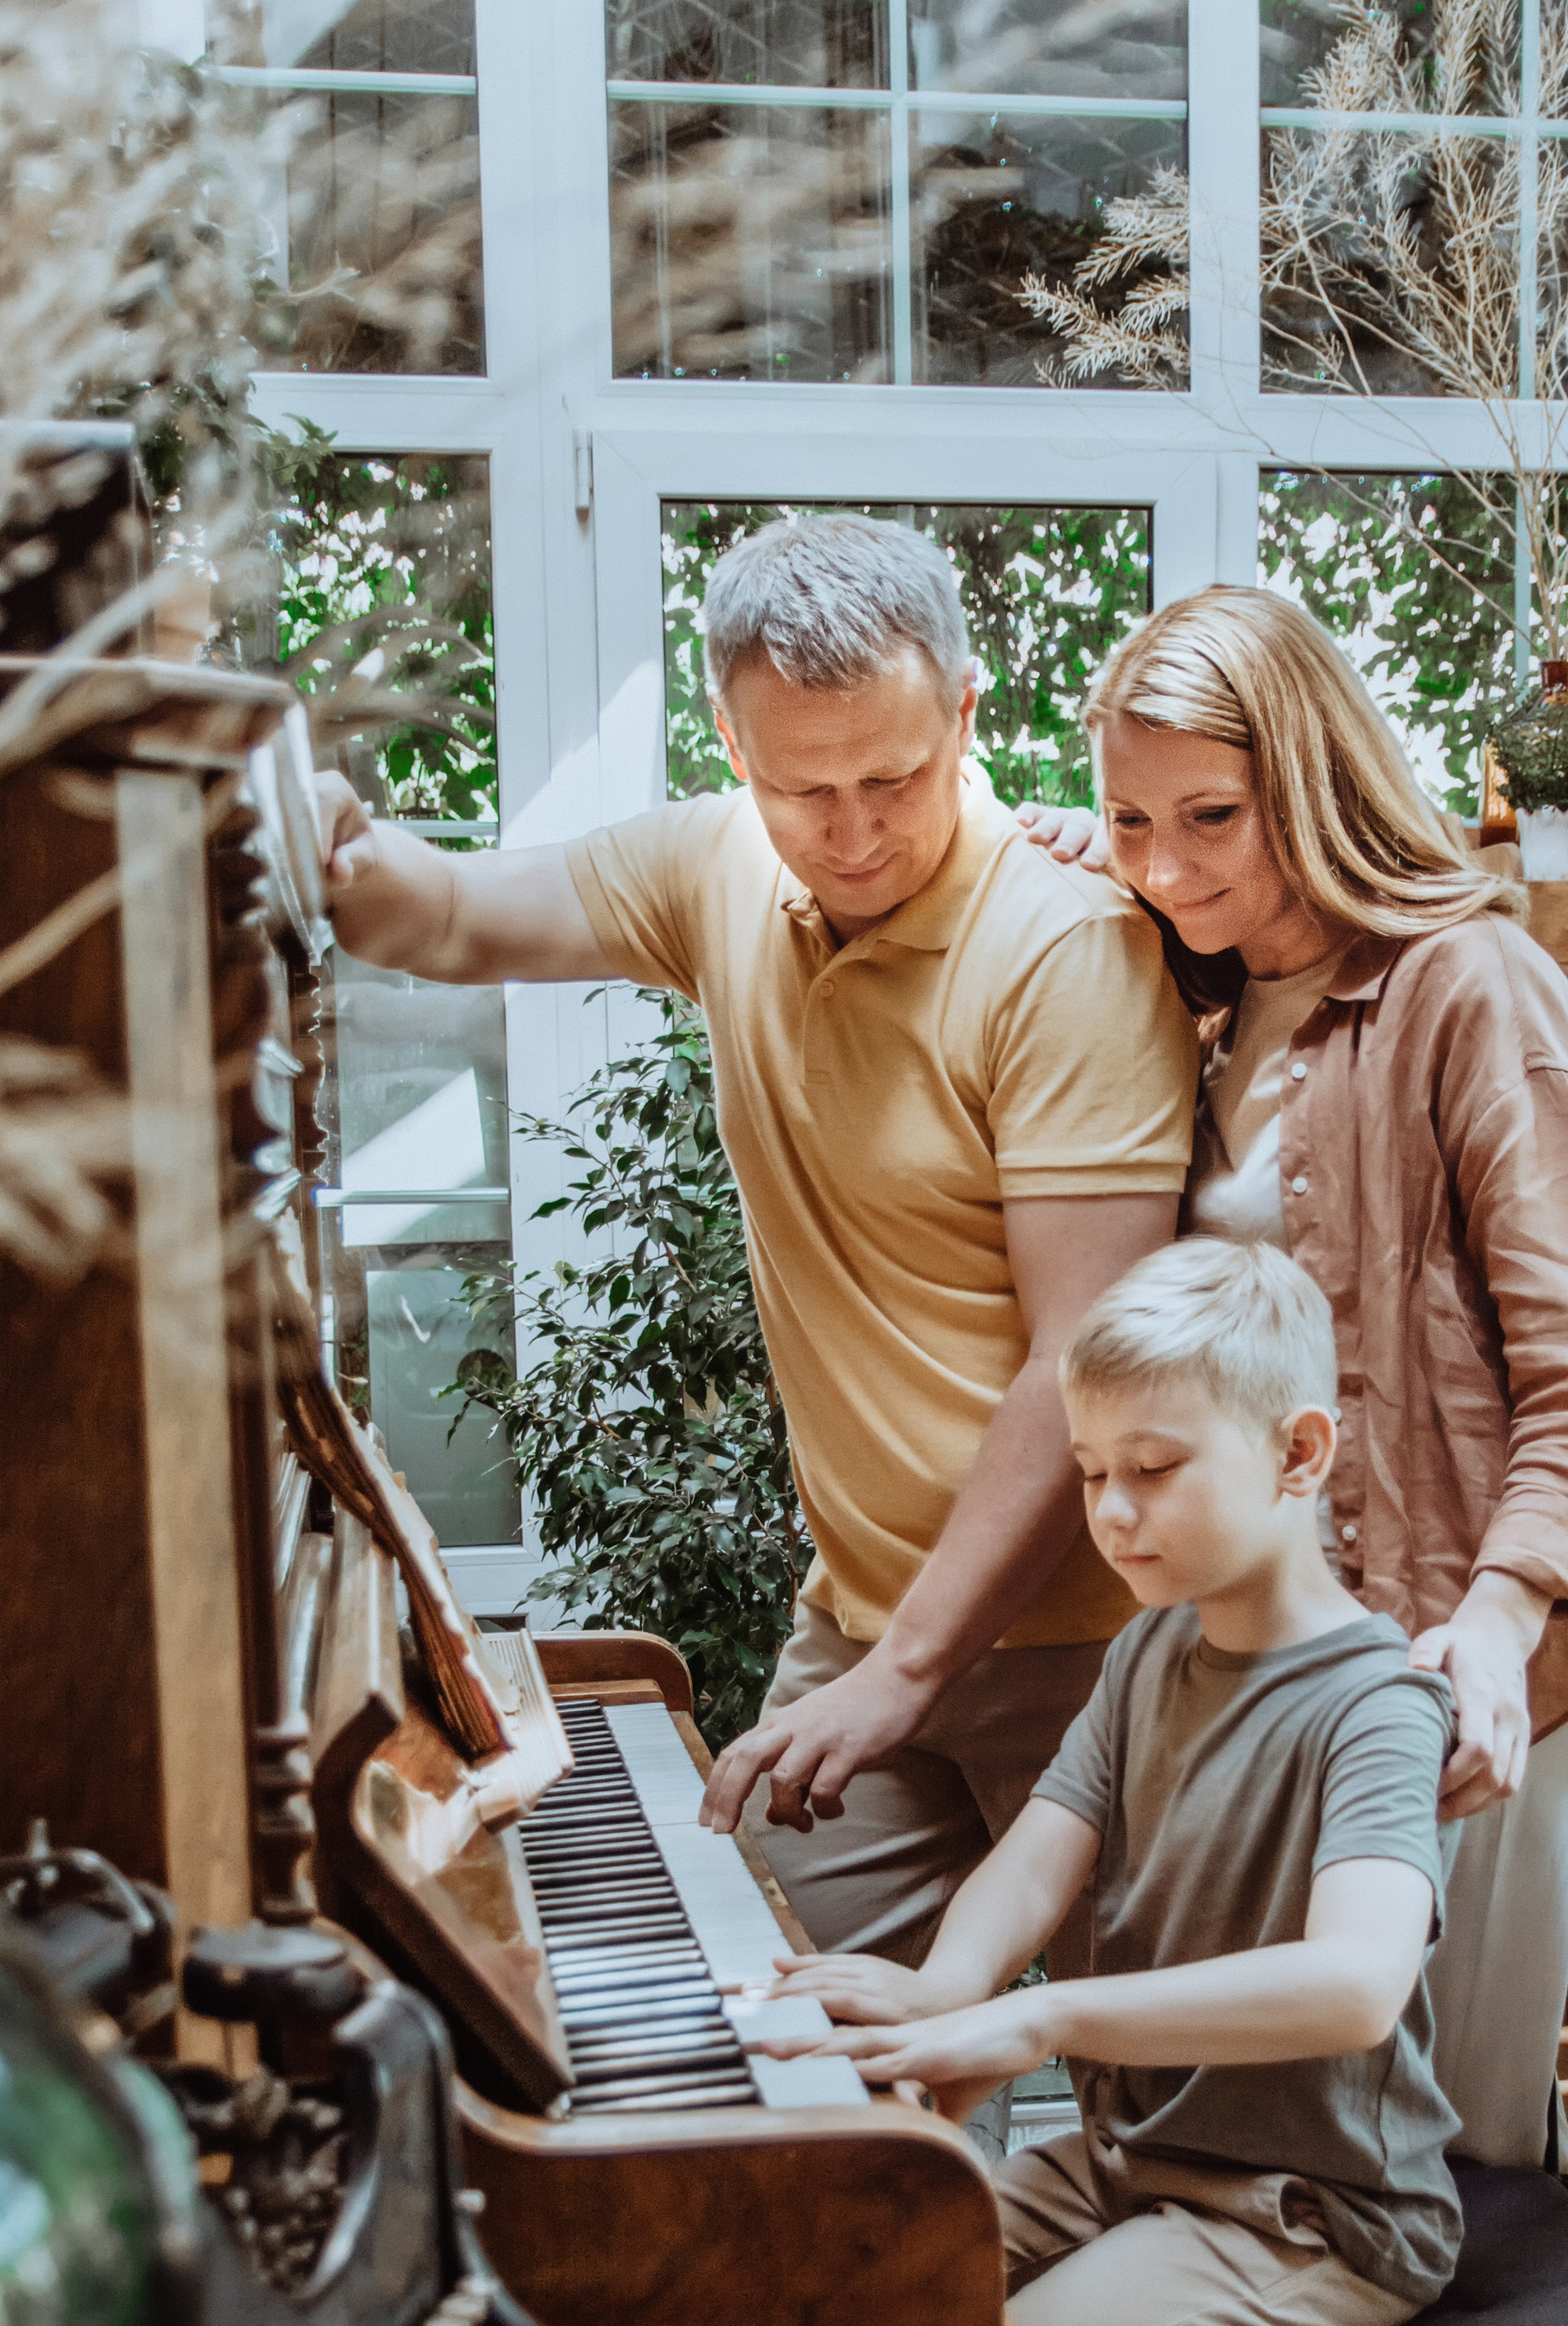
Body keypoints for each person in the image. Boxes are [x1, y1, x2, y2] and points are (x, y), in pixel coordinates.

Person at [1014, 584, 1568, 2326]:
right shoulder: (1232, 995)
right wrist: (1100, 849)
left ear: (1317, 775)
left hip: (1493, 1662)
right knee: (1330, 2152)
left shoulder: (1473, 988)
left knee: (1403, 2165)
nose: (1164, 867)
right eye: (1131, 822)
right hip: (1348, 1684)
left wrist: (1496, 1628)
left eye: (1207, 816)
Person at [313, 516, 1199, 2132]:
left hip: (1092, 1646)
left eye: (895, 778)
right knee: (785, 2081)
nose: (853, 832)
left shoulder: (1063, 950)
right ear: (730, 747)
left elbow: (1084, 1358)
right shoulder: (718, 867)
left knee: (1165, 2121)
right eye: (803, 789)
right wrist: (301, 812)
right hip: (867, 1622)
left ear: (967, 721)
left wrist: (908, 1673)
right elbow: (434, 918)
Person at [757, 1232, 1462, 2326]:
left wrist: (1038, 2011)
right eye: (1087, 1476)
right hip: (1145, 2165)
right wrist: (938, 1988)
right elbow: (1039, 1846)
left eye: (1154, 1471)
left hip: (1303, 2218)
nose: (1113, 1514)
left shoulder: (1375, 1701)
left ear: (1297, 1455)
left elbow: (1357, 1983)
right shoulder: (1153, 1654)